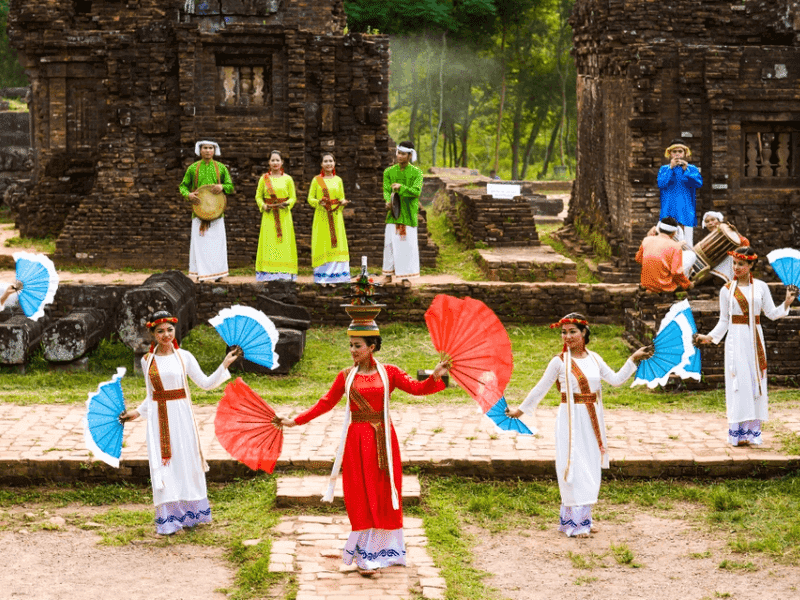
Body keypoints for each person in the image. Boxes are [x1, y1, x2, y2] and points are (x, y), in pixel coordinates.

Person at [279, 288, 449, 575]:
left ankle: (382, 550)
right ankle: (363, 554)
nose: (353, 351)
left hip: (384, 439)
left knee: (383, 491)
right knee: (360, 493)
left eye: (358, 345)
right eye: (351, 346)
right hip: (357, 440)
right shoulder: (345, 377)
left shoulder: (390, 373)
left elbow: (418, 389)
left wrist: (436, 375)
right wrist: (296, 421)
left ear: (372, 347)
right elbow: (325, 403)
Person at [506, 314, 652, 537]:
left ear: (584, 333)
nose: (567, 336)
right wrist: (520, 410)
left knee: (591, 465)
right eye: (564, 332)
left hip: (593, 420)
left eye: (572, 331)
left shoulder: (594, 358)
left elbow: (615, 379)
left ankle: (584, 518)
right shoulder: (559, 362)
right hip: (571, 420)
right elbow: (540, 388)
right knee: (573, 465)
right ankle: (574, 523)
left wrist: (633, 359)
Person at [119, 311, 240, 535]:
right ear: (153, 334)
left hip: (182, 417)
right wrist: (136, 412)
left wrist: (224, 365)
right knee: (163, 465)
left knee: (187, 461)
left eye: (169, 330)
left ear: (175, 331)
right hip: (158, 420)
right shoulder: (148, 361)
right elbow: (152, 394)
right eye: (160, 331)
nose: (166, 335)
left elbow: (204, 383)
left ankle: (191, 515)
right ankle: (169, 520)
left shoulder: (184, 356)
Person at [694, 247, 797, 446]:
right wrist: (709, 337)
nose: (736, 267)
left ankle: (751, 433)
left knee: (754, 382)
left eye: (741, 264)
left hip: (755, 339)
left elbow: (772, 313)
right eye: (734, 263)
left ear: (751, 265)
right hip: (736, 340)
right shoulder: (726, 290)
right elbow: (724, 321)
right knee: (738, 384)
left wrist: (786, 302)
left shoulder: (760, 287)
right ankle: (737, 433)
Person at [179, 140, 235, 282]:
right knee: (200, 244)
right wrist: (188, 195)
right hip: (199, 213)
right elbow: (183, 186)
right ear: (200, 150)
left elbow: (230, 186)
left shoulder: (221, 168)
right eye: (205, 148)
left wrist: (222, 186)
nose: (208, 150)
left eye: (211, 148)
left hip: (217, 214)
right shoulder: (193, 168)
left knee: (217, 244)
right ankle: (199, 274)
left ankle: (219, 274)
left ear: (214, 150)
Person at [382, 141, 423, 282]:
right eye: (398, 153)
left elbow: (416, 192)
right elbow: (387, 190)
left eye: (403, 154)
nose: (399, 156)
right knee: (389, 244)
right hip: (393, 216)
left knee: (406, 247)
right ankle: (388, 275)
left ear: (410, 155)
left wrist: (401, 187)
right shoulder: (389, 172)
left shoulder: (417, 173)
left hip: (407, 215)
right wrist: (388, 202)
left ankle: (406, 278)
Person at [308, 152, 351, 285]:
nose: (328, 163)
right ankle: (322, 277)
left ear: (334, 163)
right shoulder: (316, 180)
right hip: (321, 216)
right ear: (321, 164)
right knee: (323, 243)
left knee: (337, 244)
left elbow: (341, 196)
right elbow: (310, 198)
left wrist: (343, 202)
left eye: (331, 161)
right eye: (326, 161)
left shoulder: (338, 180)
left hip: (336, 215)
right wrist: (318, 202)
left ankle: (337, 277)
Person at [255, 150, 298, 281]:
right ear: (269, 162)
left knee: (285, 243)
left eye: (277, 160)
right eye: (272, 160)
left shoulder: (288, 179)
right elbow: (258, 196)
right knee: (269, 242)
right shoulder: (264, 179)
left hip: (284, 215)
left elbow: (293, 197)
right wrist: (263, 205)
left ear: (282, 162)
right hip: (269, 215)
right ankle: (267, 273)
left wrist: (287, 204)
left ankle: (285, 272)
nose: (275, 163)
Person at [658, 139, 703, 247]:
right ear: (669, 154)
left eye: (680, 151)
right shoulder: (664, 169)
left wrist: (686, 170)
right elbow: (661, 184)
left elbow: (698, 183)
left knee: (686, 244)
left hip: (686, 210)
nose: (677, 154)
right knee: (666, 243)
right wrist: (671, 168)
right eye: (674, 152)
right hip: (668, 209)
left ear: (684, 153)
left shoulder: (691, 169)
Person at [635, 217, 694, 292]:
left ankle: (650, 287)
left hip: (646, 283)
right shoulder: (675, 246)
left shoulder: (646, 240)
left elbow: (638, 259)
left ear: (659, 229)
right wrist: (687, 284)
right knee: (690, 256)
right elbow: (676, 272)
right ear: (674, 233)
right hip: (664, 286)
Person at [699, 211, 750, 283]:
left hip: (727, 262)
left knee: (730, 257)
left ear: (719, 221)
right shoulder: (706, 239)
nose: (710, 223)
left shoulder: (729, 234)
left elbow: (746, 245)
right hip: (711, 264)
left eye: (713, 220)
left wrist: (736, 233)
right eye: (707, 221)